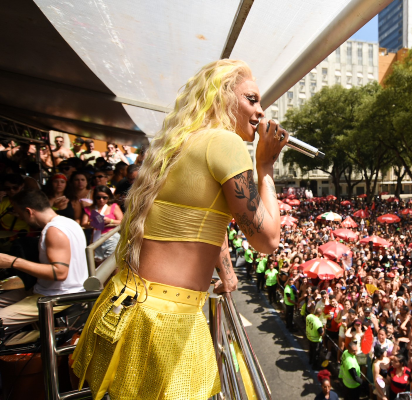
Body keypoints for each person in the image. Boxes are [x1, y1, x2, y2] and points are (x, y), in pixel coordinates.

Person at [71, 59, 287, 400]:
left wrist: (227, 273)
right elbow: (268, 239)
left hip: (129, 304)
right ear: (221, 97)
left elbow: (201, 219)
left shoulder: (181, 142)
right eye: (252, 99)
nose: (261, 111)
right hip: (162, 323)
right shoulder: (225, 143)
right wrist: (265, 165)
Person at [0, 190, 87, 333]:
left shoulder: (54, 230)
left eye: (20, 214)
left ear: (29, 211)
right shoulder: (68, 222)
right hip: (52, 290)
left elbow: (59, 273)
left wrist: (13, 261)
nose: (21, 218)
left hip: (57, 296)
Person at [80, 186, 122, 262]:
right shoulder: (89, 208)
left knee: (112, 264)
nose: (101, 200)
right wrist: (92, 223)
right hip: (96, 238)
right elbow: (83, 223)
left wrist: (110, 221)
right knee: (98, 264)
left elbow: (122, 221)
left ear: (109, 197)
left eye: (104, 197)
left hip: (111, 237)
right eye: (98, 197)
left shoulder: (113, 206)